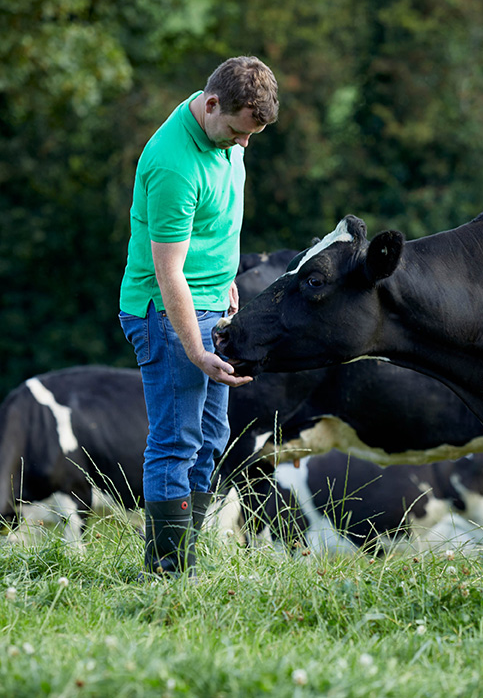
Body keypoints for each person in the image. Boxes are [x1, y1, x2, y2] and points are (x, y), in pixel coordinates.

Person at [118, 56, 279, 578]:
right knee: (176, 441)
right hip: (165, 312)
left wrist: (227, 275)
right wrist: (196, 350)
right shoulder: (174, 162)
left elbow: (216, 226)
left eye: (250, 135)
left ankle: (185, 556)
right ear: (212, 105)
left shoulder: (226, 138)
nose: (243, 144)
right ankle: (167, 574)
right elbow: (169, 273)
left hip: (211, 302)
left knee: (212, 438)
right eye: (237, 131)